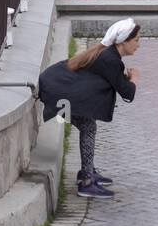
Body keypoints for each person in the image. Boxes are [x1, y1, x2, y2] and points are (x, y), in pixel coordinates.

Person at [38, 18, 142, 199]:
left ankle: (87, 171)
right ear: (124, 41)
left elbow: (114, 81)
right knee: (88, 126)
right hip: (56, 94)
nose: (138, 45)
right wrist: (134, 78)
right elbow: (128, 94)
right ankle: (86, 181)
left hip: (56, 88)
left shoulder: (109, 54)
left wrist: (124, 79)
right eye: (136, 40)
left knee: (88, 125)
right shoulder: (111, 59)